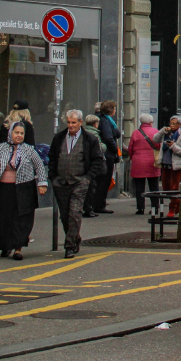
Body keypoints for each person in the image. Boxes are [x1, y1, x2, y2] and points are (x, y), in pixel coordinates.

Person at [0, 122, 47, 260]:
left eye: (22, 133)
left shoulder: (29, 150)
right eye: (16, 133)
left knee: (21, 219)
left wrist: (42, 183)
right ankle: (5, 246)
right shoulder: (0, 148)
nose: (19, 136)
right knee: (3, 218)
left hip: (24, 188)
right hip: (2, 189)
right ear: (11, 133)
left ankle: (18, 249)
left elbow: (39, 166)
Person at [47, 109, 106, 258]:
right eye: (68, 122)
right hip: (61, 182)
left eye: (74, 122)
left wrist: (88, 178)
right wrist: (53, 178)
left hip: (79, 181)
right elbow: (52, 158)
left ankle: (69, 246)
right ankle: (75, 237)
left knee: (75, 213)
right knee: (65, 216)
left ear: (80, 123)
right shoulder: (59, 138)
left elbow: (98, 160)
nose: (71, 125)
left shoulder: (89, 139)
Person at [123, 113, 162, 215]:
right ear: (150, 122)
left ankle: (140, 208)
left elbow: (130, 148)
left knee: (139, 187)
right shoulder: (156, 132)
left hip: (138, 162)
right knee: (154, 186)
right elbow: (159, 146)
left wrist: (133, 158)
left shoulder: (136, 133)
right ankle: (155, 207)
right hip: (152, 162)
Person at [154, 115, 181, 217]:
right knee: (166, 188)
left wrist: (173, 146)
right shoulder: (166, 133)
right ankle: (178, 202)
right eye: (170, 123)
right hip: (165, 163)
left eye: (174, 124)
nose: (171, 126)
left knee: (174, 187)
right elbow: (155, 139)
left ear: (180, 125)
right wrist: (162, 131)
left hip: (176, 165)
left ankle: (172, 208)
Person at [95, 100, 122, 213]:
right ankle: (99, 204)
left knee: (103, 180)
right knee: (104, 180)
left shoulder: (106, 120)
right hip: (107, 155)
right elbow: (108, 137)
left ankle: (98, 203)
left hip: (107, 154)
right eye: (114, 109)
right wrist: (116, 149)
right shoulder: (105, 121)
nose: (115, 111)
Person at [82, 114, 109, 218]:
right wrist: (105, 146)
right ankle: (89, 208)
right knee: (92, 186)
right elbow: (100, 148)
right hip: (93, 162)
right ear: (95, 123)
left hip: (87, 161)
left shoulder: (83, 132)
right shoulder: (95, 134)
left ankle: (87, 207)